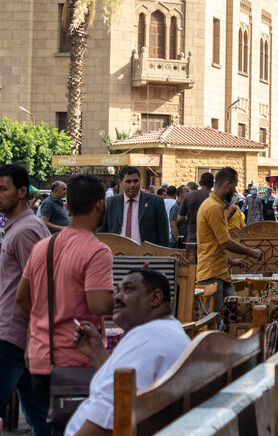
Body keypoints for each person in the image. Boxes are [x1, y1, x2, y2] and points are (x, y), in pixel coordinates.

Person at [17, 174, 115, 434]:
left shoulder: (42, 247)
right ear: (100, 204)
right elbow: (98, 304)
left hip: (40, 359)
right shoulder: (97, 250)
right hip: (75, 364)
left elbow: (22, 297)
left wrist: (41, 320)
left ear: (68, 207)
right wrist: (126, 293)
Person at [64, 269, 190, 436]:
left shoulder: (147, 338)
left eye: (128, 289)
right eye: (117, 290)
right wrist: (97, 354)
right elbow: (123, 386)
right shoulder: (166, 329)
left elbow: (107, 418)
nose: (116, 297)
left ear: (155, 298)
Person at [0, 164, 52, 436]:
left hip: (13, 333)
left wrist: (35, 332)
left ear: (21, 192)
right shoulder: (21, 228)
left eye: (2, 189)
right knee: (38, 414)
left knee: (38, 412)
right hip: (18, 333)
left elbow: (38, 289)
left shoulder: (25, 231)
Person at [195, 167, 263, 314]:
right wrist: (251, 252)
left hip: (220, 273)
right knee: (214, 320)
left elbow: (213, 245)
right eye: (235, 185)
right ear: (227, 184)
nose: (235, 190)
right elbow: (225, 242)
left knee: (233, 315)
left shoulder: (216, 206)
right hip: (211, 274)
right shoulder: (213, 207)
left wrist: (232, 262)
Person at [97, 166, 169, 246]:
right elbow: (101, 233)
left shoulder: (155, 202)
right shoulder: (110, 203)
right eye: (128, 181)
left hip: (146, 255)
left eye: (135, 181)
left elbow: (163, 235)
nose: (132, 185)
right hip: (117, 255)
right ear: (120, 182)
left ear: (140, 181)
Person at [177, 172, 213, 245]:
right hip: (211, 238)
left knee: (192, 256)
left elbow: (180, 218)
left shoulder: (189, 195)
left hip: (193, 238)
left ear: (200, 183)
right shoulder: (215, 196)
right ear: (213, 184)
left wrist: (189, 222)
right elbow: (233, 208)